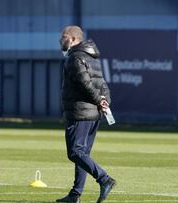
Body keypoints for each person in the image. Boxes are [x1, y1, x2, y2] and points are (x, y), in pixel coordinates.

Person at [56, 26, 116, 203]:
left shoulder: (75, 57)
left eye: (64, 37)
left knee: (75, 152)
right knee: (83, 155)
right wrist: (105, 101)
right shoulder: (92, 58)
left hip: (80, 112)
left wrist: (98, 100)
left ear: (73, 39)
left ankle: (104, 179)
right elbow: (102, 84)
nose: (61, 40)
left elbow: (85, 83)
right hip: (93, 114)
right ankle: (75, 195)